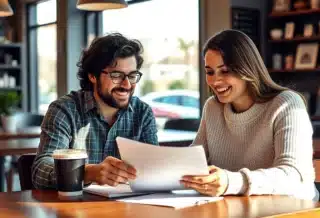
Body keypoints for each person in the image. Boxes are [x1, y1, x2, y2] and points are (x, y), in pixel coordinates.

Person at [180, 29, 318, 201]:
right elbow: (192, 162)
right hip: (237, 209)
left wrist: (232, 181)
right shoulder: (213, 107)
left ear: (246, 69)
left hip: (292, 210)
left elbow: (294, 175)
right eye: (210, 72)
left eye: (225, 71)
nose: (215, 81)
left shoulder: (287, 104)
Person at [32, 33, 158, 189]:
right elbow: (40, 172)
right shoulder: (64, 110)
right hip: (75, 210)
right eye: (116, 75)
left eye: (132, 76)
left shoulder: (143, 113)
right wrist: (88, 173)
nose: (126, 84)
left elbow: (155, 170)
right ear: (92, 75)